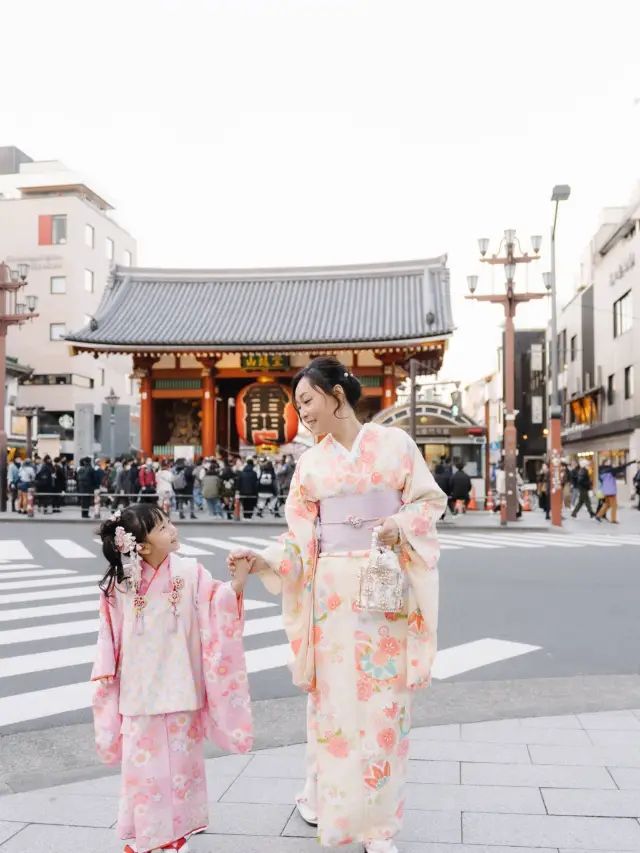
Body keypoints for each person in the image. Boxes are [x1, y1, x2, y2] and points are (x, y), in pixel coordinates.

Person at [227, 356, 446, 852]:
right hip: (330, 596)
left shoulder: (396, 445)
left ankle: (379, 827)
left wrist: (400, 525)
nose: (301, 411)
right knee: (334, 710)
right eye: (297, 403)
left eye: (307, 400)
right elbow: (299, 540)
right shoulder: (311, 462)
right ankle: (340, 815)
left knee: (385, 708)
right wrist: (261, 561)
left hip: (384, 588)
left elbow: (430, 503)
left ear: (337, 396)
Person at [91, 504, 253, 853]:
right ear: (143, 547)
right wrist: (106, 672)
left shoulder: (190, 571)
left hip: (181, 683)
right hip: (139, 689)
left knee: (182, 764)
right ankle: (149, 833)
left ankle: (177, 832)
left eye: (168, 522)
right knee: (143, 765)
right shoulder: (121, 584)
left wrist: (236, 584)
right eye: (162, 527)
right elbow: (110, 632)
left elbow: (215, 603)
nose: (172, 529)